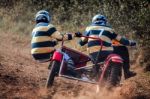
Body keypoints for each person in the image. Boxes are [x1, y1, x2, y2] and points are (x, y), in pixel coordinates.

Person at [75, 14, 136, 79]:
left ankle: (94, 74)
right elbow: (121, 40)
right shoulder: (109, 29)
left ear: (93, 21)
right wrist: (131, 43)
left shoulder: (89, 28)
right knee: (123, 49)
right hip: (106, 53)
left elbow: (81, 42)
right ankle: (127, 72)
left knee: (95, 63)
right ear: (105, 21)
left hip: (93, 54)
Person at [31, 10, 76, 77]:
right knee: (66, 57)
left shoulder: (34, 29)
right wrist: (73, 35)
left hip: (35, 55)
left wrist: (55, 42)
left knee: (56, 52)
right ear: (47, 18)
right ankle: (71, 72)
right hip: (47, 53)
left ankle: (53, 68)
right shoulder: (48, 26)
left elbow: (42, 43)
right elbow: (60, 37)